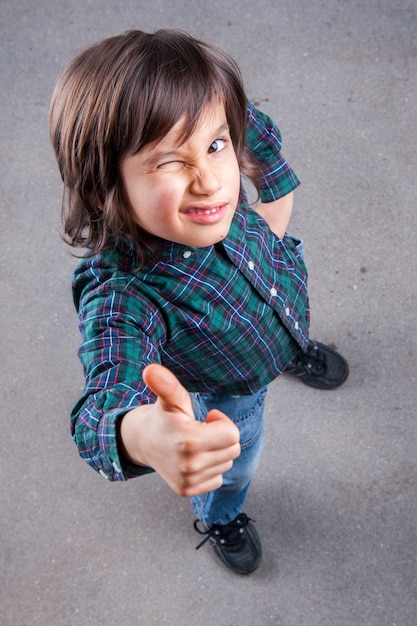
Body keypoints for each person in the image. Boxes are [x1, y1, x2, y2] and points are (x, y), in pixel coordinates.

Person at [49, 29, 348, 575]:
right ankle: (220, 515)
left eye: (214, 146)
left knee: (279, 321)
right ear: (102, 186)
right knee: (233, 464)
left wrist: (274, 200)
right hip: (228, 390)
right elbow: (100, 408)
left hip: (274, 302)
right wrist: (142, 434)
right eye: (168, 162)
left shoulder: (222, 148)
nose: (210, 181)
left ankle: (290, 350)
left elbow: (241, 125)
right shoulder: (124, 291)